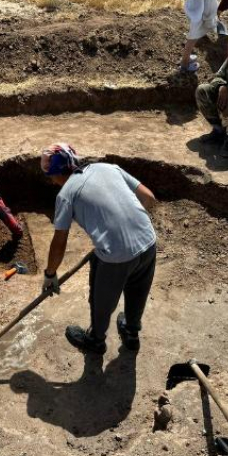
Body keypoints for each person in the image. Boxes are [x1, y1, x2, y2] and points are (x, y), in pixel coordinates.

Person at [39, 143, 157, 355]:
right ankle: (131, 334)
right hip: (148, 241)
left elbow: (59, 241)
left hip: (116, 258)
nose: (52, 181)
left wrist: (50, 273)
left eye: (50, 177)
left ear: (55, 173)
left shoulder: (66, 193)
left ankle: (95, 340)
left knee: (102, 299)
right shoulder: (108, 168)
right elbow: (148, 197)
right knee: (138, 290)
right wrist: (128, 224)